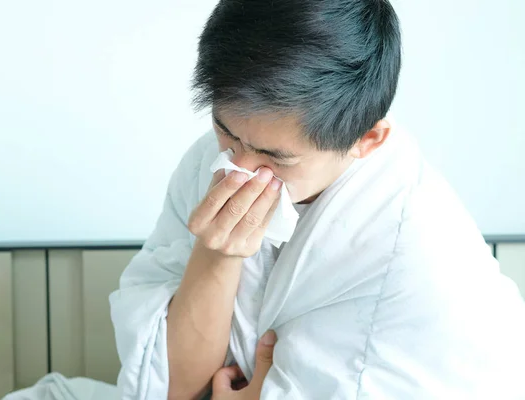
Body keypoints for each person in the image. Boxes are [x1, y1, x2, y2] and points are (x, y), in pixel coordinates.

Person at [109, 0, 525, 399]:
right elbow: (166, 387)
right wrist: (216, 253)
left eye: (275, 158)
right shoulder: (208, 161)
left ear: (367, 139)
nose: (240, 169)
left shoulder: (422, 247)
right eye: (226, 132)